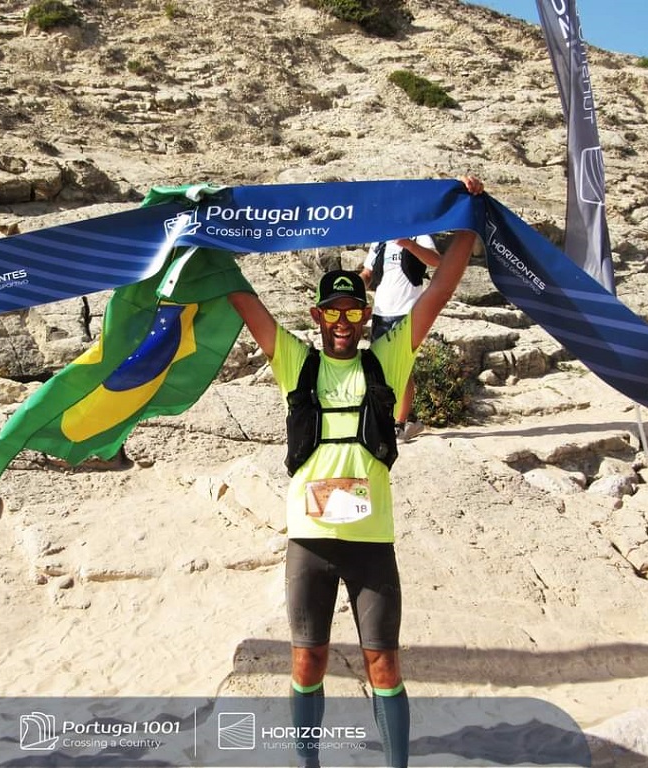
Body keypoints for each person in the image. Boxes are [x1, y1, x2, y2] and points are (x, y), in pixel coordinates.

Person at [226, 176, 484, 768]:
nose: (344, 319)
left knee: (384, 664)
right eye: (334, 310)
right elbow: (242, 297)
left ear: (367, 312)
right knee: (306, 661)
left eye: (353, 309)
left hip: (371, 543)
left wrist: (468, 217)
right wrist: (202, 226)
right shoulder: (295, 360)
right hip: (310, 542)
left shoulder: (387, 357)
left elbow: (441, 286)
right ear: (318, 314)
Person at [361, 235, 442, 443]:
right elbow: (368, 273)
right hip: (381, 312)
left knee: (402, 366)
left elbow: (436, 261)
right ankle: (388, 419)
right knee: (379, 367)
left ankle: (400, 424)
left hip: (408, 311)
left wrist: (409, 244)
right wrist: (355, 285)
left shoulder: (419, 235)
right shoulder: (378, 241)